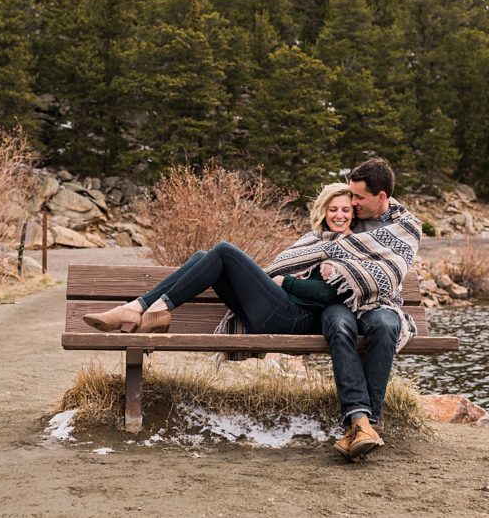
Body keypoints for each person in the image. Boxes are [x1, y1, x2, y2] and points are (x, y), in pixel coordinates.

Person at [269, 157, 422, 461]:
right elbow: (325, 243)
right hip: (337, 302)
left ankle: (363, 424)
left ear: (381, 197)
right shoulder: (349, 213)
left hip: (379, 301)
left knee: (386, 326)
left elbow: (391, 271)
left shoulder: (405, 226)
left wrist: (342, 267)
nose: (352, 203)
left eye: (358, 197)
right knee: (340, 327)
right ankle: (362, 425)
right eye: (351, 195)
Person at [81, 182, 354, 336]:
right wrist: (281, 281)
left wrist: (288, 282)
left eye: (345, 210)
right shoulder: (315, 239)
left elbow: (329, 295)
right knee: (203, 256)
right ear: (323, 210)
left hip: (294, 319)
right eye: (333, 209)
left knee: (224, 250)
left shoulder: (352, 246)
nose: (339, 215)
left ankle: (145, 309)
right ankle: (146, 310)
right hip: (273, 312)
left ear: (354, 213)